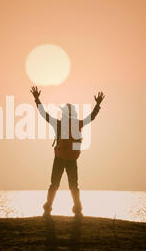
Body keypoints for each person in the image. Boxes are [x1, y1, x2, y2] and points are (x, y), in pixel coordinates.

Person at [30, 86, 104, 217]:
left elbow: (44, 114)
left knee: (54, 184)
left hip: (59, 158)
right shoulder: (78, 124)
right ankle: (78, 209)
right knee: (73, 185)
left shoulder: (58, 124)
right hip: (72, 158)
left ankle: (48, 208)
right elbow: (91, 117)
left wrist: (37, 99)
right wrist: (97, 104)